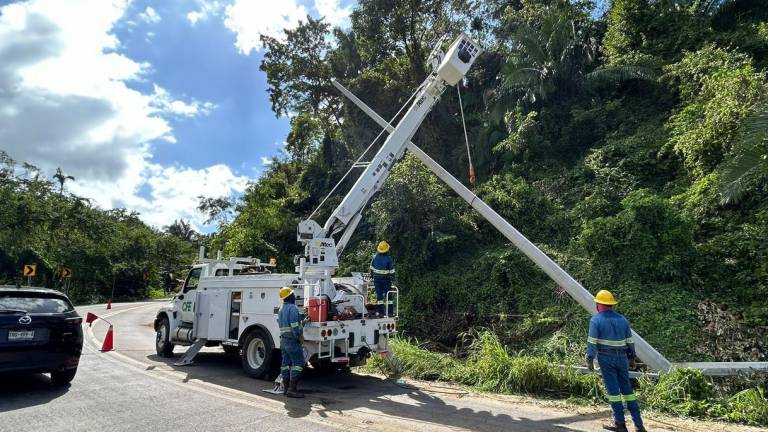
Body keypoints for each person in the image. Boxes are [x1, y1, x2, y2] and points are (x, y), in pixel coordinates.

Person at [586, 290, 647, 432]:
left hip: (606, 359)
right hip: (623, 359)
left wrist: (589, 359)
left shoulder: (596, 320)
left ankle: (620, 424)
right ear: (611, 305)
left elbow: (592, 343)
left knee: (613, 392)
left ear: (599, 304)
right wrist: (632, 358)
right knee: (628, 391)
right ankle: (639, 425)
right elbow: (630, 342)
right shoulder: (623, 320)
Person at [277, 286, 305, 398]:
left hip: (283, 341)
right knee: (298, 363)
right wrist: (299, 337)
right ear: (289, 297)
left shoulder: (281, 309)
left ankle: (286, 388)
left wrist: (303, 322)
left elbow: (286, 324)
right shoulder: (293, 308)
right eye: (292, 294)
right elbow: (294, 326)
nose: (294, 296)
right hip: (292, 341)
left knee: (285, 364)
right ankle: (292, 389)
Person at [369, 241, 395, 316]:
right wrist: (393, 277)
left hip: (376, 280)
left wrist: (371, 275)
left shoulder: (375, 257)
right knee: (388, 296)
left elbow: (371, 268)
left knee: (379, 296)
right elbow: (392, 270)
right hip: (386, 280)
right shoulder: (388, 258)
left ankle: (381, 313)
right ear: (387, 250)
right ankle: (390, 313)